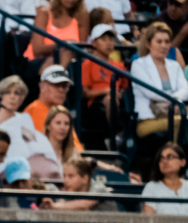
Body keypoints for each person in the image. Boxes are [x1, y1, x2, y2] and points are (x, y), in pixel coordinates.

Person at [130, 22, 188, 141]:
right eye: (159, 41)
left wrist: (174, 102)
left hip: (175, 111)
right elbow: (151, 92)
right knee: (181, 121)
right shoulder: (138, 65)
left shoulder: (175, 65)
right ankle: (175, 156)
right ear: (148, 44)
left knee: (181, 119)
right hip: (149, 120)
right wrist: (175, 102)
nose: (164, 45)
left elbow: (186, 89)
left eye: (167, 41)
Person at [81, 23, 126, 151]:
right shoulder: (87, 64)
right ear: (94, 43)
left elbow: (125, 87)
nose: (109, 43)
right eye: (104, 39)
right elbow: (85, 93)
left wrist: (119, 93)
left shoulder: (119, 65)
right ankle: (115, 136)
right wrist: (107, 91)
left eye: (111, 39)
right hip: (96, 103)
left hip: (117, 100)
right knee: (109, 99)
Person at [25, 65, 83, 153]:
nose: (61, 90)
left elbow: (75, 146)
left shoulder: (62, 112)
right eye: (56, 85)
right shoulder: (35, 109)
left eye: (64, 86)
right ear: (42, 87)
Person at [24, 0, 89, 77]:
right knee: (60, 54)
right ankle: (57, 76)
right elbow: (37, 50)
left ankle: (58, 75)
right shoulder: (44, 13)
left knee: (68, 53)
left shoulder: (82, 18)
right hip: (38, 60)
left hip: (69, 61)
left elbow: (80, 48)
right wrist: (63, 44)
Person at [40, 155, 119, 211]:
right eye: (64, 176)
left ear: (85, 179)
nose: (65, 180)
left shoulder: (98, 187)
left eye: (71, 176)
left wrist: (55, 206)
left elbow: (84, 204)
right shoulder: (69, 192)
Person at [142, 142, 188, 214]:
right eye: (161, 158)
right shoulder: (151, 187)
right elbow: (148, 221)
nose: (164, 161)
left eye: (170, 157)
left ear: (182, 162)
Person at [43, 104, 75, 177]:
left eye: (66, 123)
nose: (62, 127)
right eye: (58, 123)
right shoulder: (38, 153)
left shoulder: (73, 155)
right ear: (48, 126)